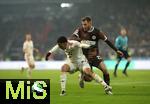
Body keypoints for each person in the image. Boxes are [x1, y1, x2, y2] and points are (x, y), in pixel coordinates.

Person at [45, 36, 112, 96]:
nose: (59, 47)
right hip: (72, 64)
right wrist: (49, 53)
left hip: (82, 62)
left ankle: (105, 86)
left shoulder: (74, 43)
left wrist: (89, 46)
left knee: (88, 73)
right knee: (63, 68)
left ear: (64, 43)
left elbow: (81, 45)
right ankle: (63, 91)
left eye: (60, 45)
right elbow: (54, 48)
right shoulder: (60, 45)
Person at [69, 16, 123, 87]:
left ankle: (107, 87)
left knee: (105, 70)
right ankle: (82, 76)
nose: (83, 26)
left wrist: (116, 50)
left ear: (90, 23)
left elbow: (107, 41)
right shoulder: (80, 30)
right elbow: (71, 37)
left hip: (94, 56)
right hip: (84, 58)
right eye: (82, 24)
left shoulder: (97, 32)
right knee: (89, 79)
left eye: (85, 24)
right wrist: (80, 40)